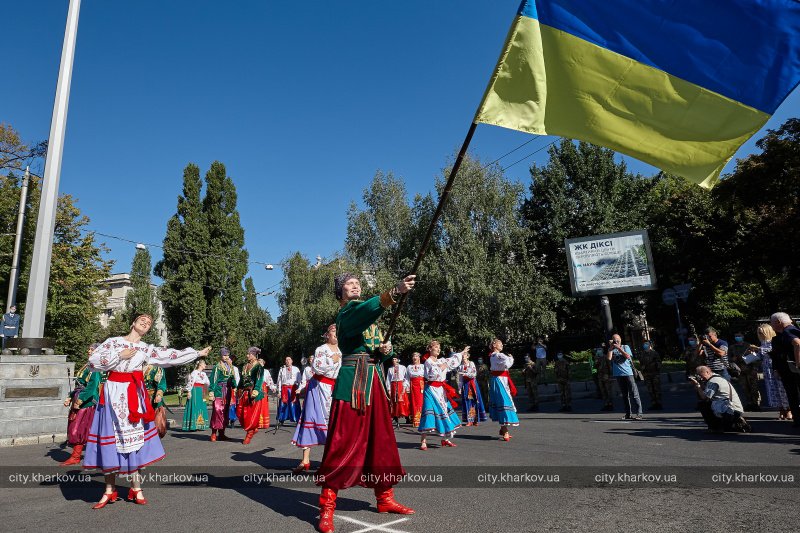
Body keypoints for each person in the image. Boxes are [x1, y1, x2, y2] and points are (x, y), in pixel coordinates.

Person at [315, 273, 417, 533]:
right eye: (349, 284)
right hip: (352, 385)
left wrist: (386, 351)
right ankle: (326, 506)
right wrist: (393, 292)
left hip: (374, 383)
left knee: (380, 441)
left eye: (357, 283)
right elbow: (364, 313)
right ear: (340, 295)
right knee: (342, 443)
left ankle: (385, 499)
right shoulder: (346, 314)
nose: (355, 285)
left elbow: (379, 354)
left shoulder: (371, 324)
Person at [84, 313, 210, 508]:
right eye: (142, 320)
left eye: (149, 323)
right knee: (111, 441)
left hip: (134, 394)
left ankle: (136, 488)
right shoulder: (113, 342)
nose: (146, 323)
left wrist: (196, 353)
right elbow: (93, 361)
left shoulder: (146, 349)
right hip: (112, 394)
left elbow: (171, 355)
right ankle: (109, 490)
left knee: (135, 441)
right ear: (133, 322)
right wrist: (120, 355)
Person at [292, 324, 341, 473]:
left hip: (334, 387)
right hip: (318, 386)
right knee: (313, 419)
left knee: (332, 422)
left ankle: (329, 460)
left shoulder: (341, 350)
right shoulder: (321, 349)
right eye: (332, 332)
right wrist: (332, 360)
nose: (335, 335)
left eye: (337, 333)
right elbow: (317, 368)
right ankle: (305, 459)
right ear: (327, 335)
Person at [418, 342, 468, 449]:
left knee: (445, 410)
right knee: (428, 413)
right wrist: (443, 367)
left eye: (439, 348)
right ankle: (423, 441)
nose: (438, 349)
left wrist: (462, 352)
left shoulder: (441, 360)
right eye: (436, 347)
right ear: (430, 349)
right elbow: (432, 375)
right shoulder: (428, 362)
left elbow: (452, 360)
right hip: (430, 390)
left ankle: (445, 439)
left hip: (440, 390)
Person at [60, 343, 103, 466]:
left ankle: (81, 456)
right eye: (89, 349)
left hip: (87, 402)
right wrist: (70, 397)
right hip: (79, 397)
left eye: (92, 349)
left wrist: (80, 400)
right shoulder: (87, 366)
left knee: (79, 429)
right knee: (79, 429)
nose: (88, 351)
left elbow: (92, 387)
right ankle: (77, 456)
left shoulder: (96, 367)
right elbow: (79, 385)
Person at [689, 365, 750, 433]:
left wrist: (698, 386)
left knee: (703, 404)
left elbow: (704, 397)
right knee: (728, 428)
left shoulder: (713, 382)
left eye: (701, 375)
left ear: (707, 372)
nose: (701, 378)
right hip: (733, 408)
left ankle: (715, 427)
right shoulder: (717, 377)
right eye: (698, 376)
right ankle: (735, 423)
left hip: (730, 411)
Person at [237, 347, 274, 444]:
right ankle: (253, 428)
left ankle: (249, 433)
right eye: (247, 354)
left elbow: (259, 379)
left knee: (250, 415)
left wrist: (256, 390)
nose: (247, 355)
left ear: (254, 355)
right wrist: (237, 389)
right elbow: (242, 380)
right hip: (243, 393)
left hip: (253, 393)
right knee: (240, 413)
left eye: (249, 354)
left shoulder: (259, 367)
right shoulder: (245, 366)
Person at [769, 312, 800, 427]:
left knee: (794, 395)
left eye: (772, 323)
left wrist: (798, 363)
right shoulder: (780, 336)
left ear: (778, 322)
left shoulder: (788, 331)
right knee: (792, 395)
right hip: (788, 372)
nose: (771, 326)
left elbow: (798, 344)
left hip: (793, 371)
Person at [757, 323, 792, 420]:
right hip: (767, 369)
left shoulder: (774, 341)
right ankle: (781, 409)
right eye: (759, 332)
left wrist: (760, 349)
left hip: (776, 367)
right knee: (773, 390)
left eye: (762, 332)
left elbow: (773, 351)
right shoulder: (762, 343)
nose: (760, 334)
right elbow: (761, 355)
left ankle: (788, 410)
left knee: (782, 389)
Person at [487, 338, 519, 441]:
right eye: (500, 343)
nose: (502, 345)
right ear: (495, 345)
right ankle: (505, 430)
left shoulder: (496, 355)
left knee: (502, 402)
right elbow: (507, 364)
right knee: (503, 403)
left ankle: (503, 428)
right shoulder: (497, 355)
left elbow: (505, 365)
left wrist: (509, 359)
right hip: (499, 381)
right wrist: (511, 359)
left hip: (501, 380)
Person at [607, 334, 643, 420]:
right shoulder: (611, 348)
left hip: (628, 373)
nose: (616, 341)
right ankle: (628, 414)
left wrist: (619, 348)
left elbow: (627, 356)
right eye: (614, 340)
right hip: (618, 375)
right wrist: (611, 348)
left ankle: (639, 413)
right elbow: (609, 358)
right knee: (624, 395)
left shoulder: (625, 347)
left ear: (620, 339)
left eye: (617, 339)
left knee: (634, 394)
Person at [208, 347, 239, 441]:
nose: (226, 357)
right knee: (217, 411)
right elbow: (213, 379)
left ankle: (222, 433)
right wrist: (211, 392)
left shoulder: (230, 367)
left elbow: (233, 378)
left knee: (225, 412)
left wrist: (235, 386)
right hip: (219, 391)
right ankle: (213, 433)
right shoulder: (217, 367)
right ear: (221, 356)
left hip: (228, 392)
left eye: (227, 355)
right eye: (224, 355)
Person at [728, 332, 761, 411]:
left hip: (751, 369)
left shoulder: (748, 345)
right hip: (740, 371)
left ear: (743, 336)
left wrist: (755, 368)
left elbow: (756, 357)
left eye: (739, 335)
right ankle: (749, 403)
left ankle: (756, 403)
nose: (737, 337)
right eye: (736, 336)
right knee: (745, 388)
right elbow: (729, 359)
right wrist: (733, 360)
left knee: (754, 387)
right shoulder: (732, 347)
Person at [458, 349, 487, 425]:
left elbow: (474, 374)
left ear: (467, 356)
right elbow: (460, 379)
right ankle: (469, 420)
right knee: (467, 401)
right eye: (462, 355)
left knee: (474, 401)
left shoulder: (471, 363)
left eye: (464, 355)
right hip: (466, 384)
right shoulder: (461, 366)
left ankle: (475, 419)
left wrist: (466, 374)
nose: (463, 356)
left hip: (472, 383)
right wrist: (460, 388)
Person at [181, 359, 210, 431]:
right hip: (195, 390)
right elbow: (191, 382)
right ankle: (194, 425)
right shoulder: (194, 373)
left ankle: (201, 425)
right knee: (195, 406)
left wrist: (206, 395)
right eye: (204, 364)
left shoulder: (204, 374)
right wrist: (189, 391)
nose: (205, 365)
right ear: (200, 365)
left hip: (203, 390)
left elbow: (207, 383)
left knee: (202, 406)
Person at [143, 362, 168, 438]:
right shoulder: (135, 366)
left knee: (155, 423)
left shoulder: (156, 368)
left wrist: (159, 394)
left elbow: (161, 383)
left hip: (151, 398)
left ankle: (153, 439)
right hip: (139, 397)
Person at [385, 356, 410, 428]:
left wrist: (405, 386)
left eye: (395, 359)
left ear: (398, 360)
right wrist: (389, 389)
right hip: (393, 384)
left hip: (400, 384)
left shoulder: (403, 367)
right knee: (394, 401)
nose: (394, 360)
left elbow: (406, 377)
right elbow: (388, 379)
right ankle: (395, 416)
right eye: (393, 359)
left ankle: (406, 416)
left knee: (403, 400)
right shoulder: (390, 369)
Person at [638, 341, 663, 410]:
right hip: (647, 374)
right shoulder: (642, 354)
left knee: (656, 389)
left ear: (650, 345)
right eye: (644, 344)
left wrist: (655, 367)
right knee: (650, 390)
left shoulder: (654, 353)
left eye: (646, 344)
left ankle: (659, 403)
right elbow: (641, 363)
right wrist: (642, 368)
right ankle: (654, 403)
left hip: (655, 374)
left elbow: (659, 363)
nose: (645, 345)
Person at [277, 356, 302, 424]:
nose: (287, 361)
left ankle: (296, 418)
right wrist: (279, 391)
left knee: (294, 403)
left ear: (292, 361)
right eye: (286, 360)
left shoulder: (296, 369)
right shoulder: (282, 369)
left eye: (289, 359)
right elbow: (279, 381)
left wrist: (299, 389)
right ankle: (281, 419)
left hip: (293, 388)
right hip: (284, 388)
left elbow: (299, 380)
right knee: (283, 404)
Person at [406, 352, 425, 427]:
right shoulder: (409, 367)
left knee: (421, 401)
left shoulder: (423, 366)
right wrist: (406, 387)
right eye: (413, 356)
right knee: (413, 402)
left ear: (419, 357)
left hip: (421, 384)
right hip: (413, 385)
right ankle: (415, 419)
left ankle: (422, 419)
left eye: (416, 356)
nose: (415, 358)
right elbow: (407, 378)